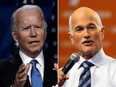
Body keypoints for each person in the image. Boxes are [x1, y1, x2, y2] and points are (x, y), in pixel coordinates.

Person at [0, 5, 57, 87]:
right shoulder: (1, 70)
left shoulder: (60, 69)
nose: (33, 34)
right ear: (15, 35)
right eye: (26, 28)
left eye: (38, 27)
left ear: (45, 32)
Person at [58, 7, 116, 87]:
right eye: (79, 29)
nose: (86, 34)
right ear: (72, 38)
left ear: (101, 33)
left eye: (91, 27)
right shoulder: (60, 77)